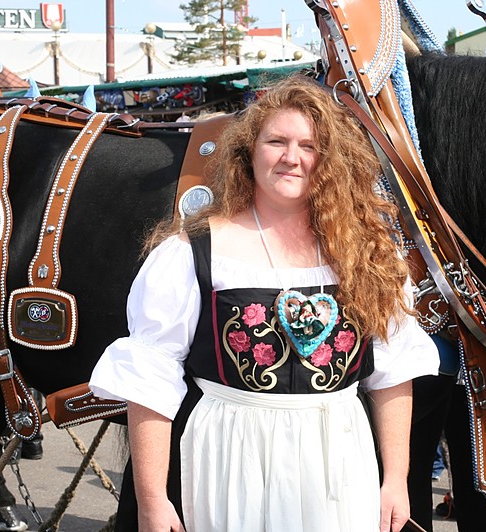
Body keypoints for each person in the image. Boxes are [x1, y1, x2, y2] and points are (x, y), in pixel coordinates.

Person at [89, 75, 440, 532]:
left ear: (330, 161)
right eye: (276, 141)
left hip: (340, 462)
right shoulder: (193, 252)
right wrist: (152, 501)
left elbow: (393, 374)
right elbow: (150, 385)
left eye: (309, 146)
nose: (292, 157)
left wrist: (396, 479)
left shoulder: (368, 254)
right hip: (231, 461)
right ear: (248, 152)